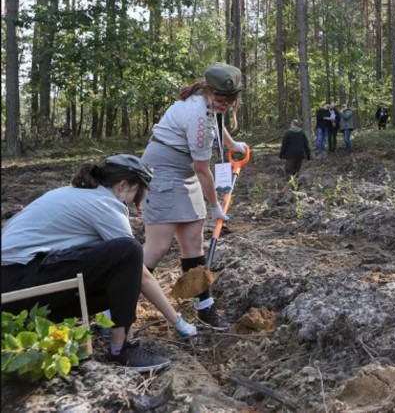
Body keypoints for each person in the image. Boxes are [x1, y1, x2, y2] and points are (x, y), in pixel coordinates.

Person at [1, 155, 176, 371]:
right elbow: (140, 273)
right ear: (122, 185)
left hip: (14, 283)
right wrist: (177, 321)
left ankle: (119, 341)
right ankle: (122, 349)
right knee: (129, 250)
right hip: (15, 282)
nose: (136, 202)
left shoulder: (77, 195)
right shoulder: (105, 204)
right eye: (137, 193)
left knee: (116, 276)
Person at [140, 63, 248, 330]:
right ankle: (115, 307)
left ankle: (205, 308)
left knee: (193, 246)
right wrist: (215, 207)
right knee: (158, 248)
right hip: (162, 176)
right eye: (220, 99)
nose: (224, 104)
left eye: (230, 101)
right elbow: (202, 169)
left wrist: (233, 144)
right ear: (210, 91)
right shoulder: (197, 116)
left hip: (183, 173)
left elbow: (216, 122)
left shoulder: (206, 103)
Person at [279, 119, 311, 185]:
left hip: (290, 156)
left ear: (292, 124)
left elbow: (284, 145)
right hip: (300, 155)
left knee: (288, 171)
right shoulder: (302, 133)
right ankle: (296, 185)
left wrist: (281, 154)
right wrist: (308, 155)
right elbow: (306, 145)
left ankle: (291, 186)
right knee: (296, 171)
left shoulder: (288, 133)